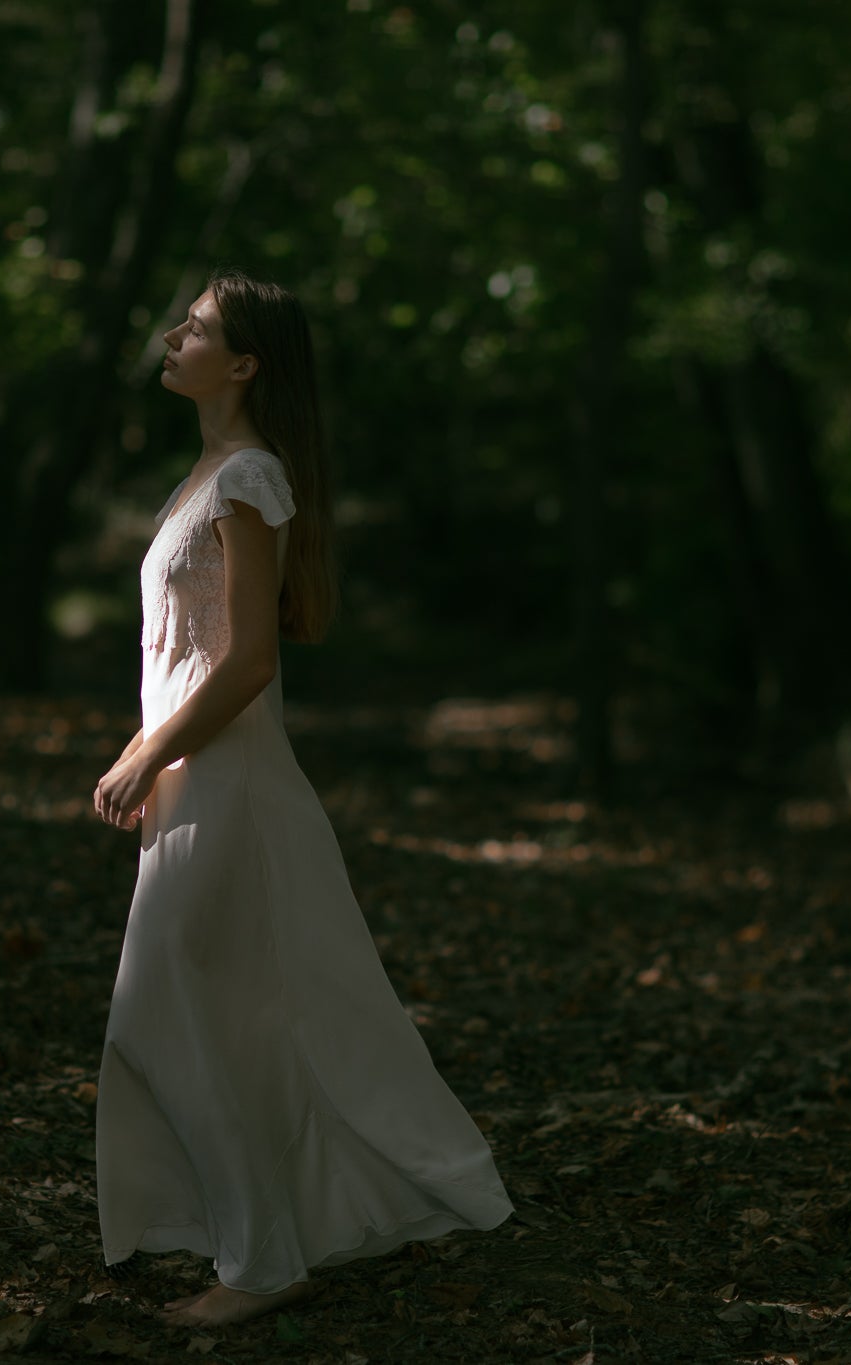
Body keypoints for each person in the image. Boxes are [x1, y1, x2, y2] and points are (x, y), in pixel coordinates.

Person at [90, 269, 513, 1328]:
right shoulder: (208, 475)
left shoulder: (249, 478)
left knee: (168, 1009)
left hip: (223, 779)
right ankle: (265, 1232)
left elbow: (246, 665)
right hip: (199, 778)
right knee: (213, 1011)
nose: (175, 335)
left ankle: (263, 1259)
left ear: (242, 365)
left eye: (198, 327)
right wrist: (151, 753)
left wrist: (146, 755)